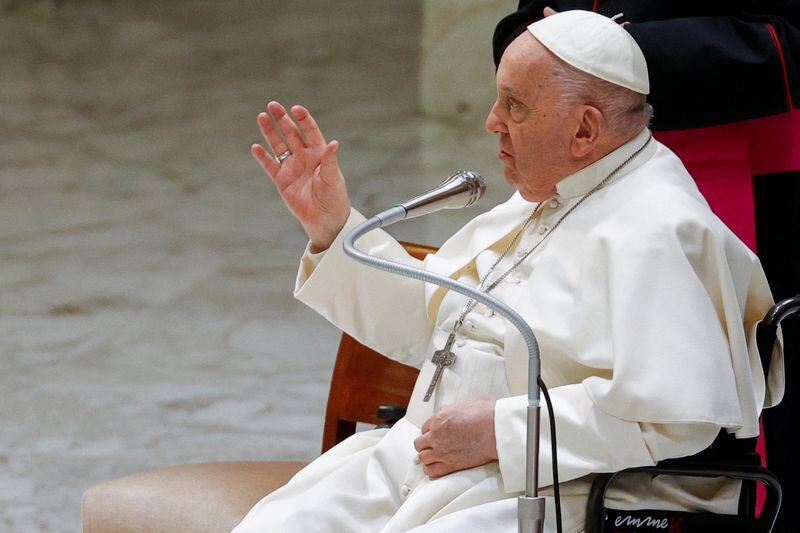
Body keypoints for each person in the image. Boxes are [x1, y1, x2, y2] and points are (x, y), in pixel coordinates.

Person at [235, 11, 783, 532]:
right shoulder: (550, 194)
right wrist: (333, 225)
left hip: (568, 486)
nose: (491, 122)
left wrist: (501, 431)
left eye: (514, 105)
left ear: (585, 130)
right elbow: (436, 330)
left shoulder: (661, 228)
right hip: (435, 460)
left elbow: (676, 417)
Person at [496, 6, 800, 526]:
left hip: (732, 160)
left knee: (717, 387)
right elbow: (520, 24)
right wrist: (547, 50)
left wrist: (606, 51)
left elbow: (783, 41)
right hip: (578, 160)